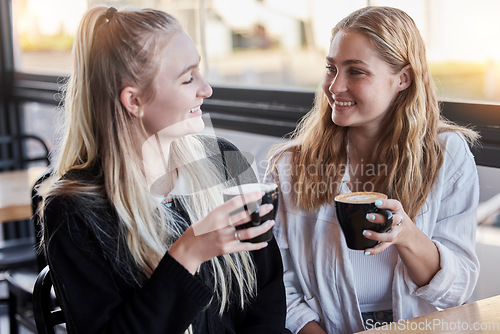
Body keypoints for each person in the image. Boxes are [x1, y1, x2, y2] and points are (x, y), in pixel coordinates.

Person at [39, 6, 289, 334]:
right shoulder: (73, 211)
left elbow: (267, 293)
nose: (206, 89)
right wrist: (187, 254)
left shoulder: (227, 159)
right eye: (188, 78)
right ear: (134, 101)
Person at [265, 6, 480, 334]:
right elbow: (278, 283)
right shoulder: (290, 167)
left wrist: (406, 234)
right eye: (331, 68)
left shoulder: (446, 155)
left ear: (402, 79)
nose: (335, 87)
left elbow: (457, 288)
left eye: (355, 71)